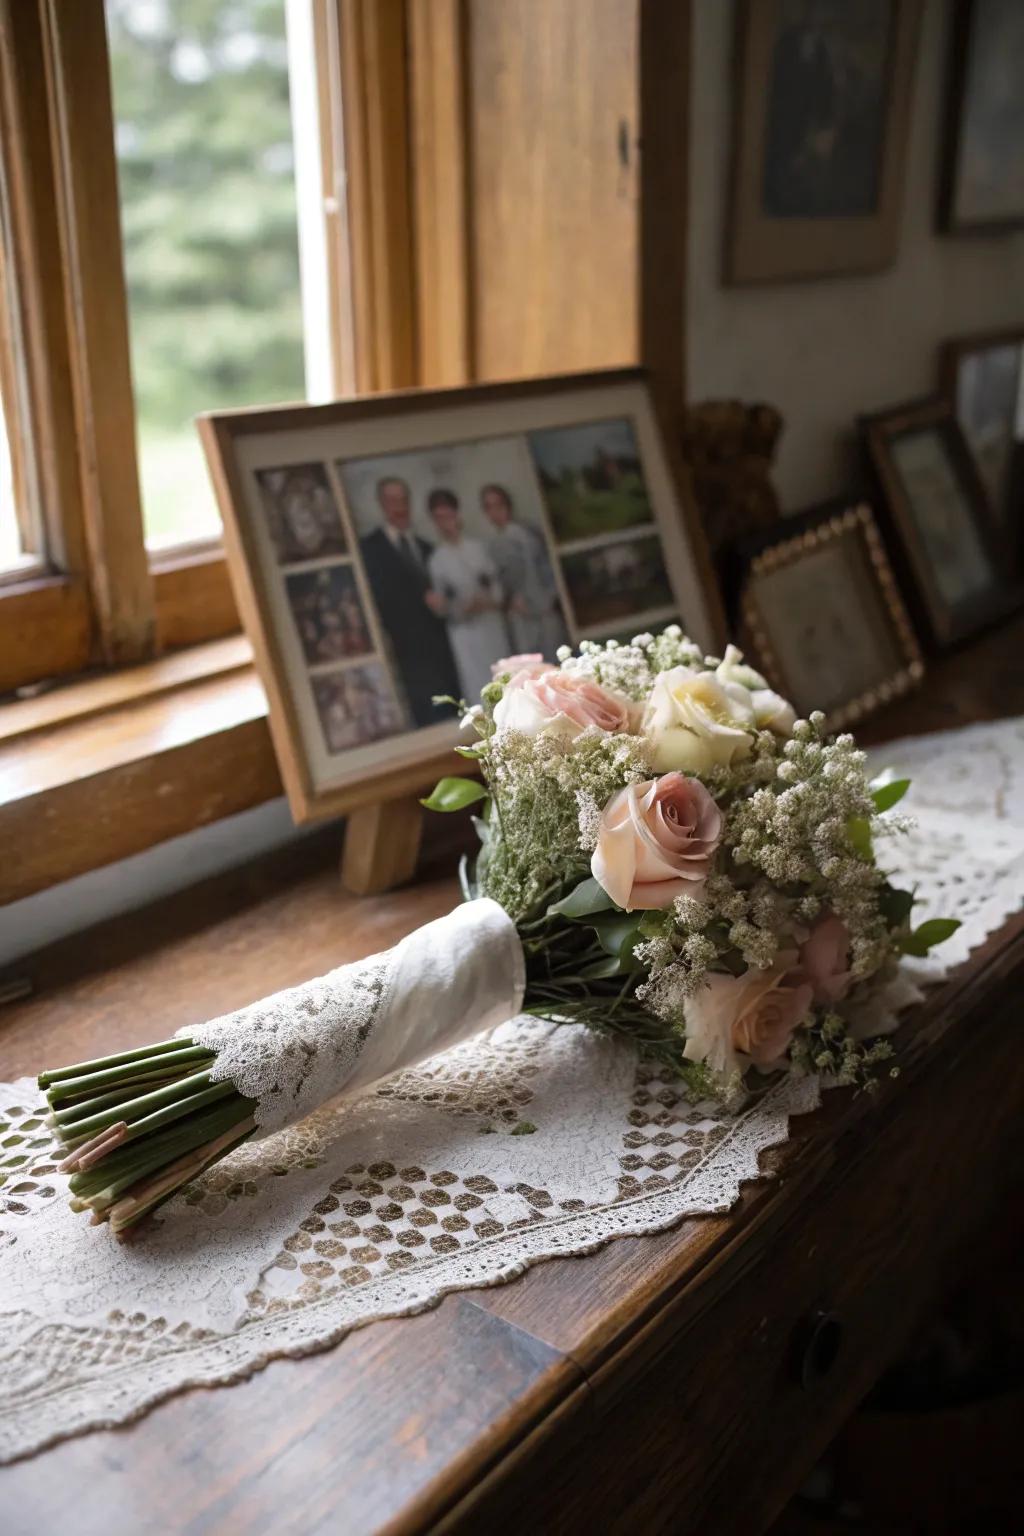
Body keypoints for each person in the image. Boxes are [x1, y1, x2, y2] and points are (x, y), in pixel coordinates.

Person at [359, 477, 459, 726]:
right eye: (392, 500)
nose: (399, 506)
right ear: (382, 504)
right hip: (404, 655)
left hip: (442, 653)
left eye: (404, 500)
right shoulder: (368, 550)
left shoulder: (428, 548)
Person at [426, 488, 510, 701]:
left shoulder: (479, 548)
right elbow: (442, 605)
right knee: (477, 684)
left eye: (448, 516)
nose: (445, 523)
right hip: (465, 633)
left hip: (491, 624)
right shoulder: (437, 560)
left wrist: (490, 600)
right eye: (439, 518)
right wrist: (458, 608)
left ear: (457, 515)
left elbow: (496, 585)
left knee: (502, 678)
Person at [480, 483, 569, 657]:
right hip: (522, 620)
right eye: (489, 507)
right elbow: (502, 584)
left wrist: (547, 599)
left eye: (499, 505)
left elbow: (546, 569)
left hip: (544, 611)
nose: (495, 512)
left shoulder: (527, 534)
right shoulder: (494, 545)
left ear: (508, 505)